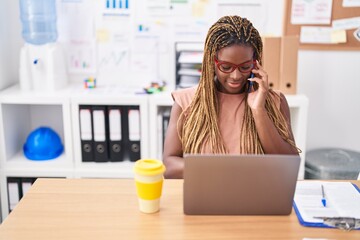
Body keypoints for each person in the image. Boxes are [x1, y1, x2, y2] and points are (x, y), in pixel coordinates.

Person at [163, 15, 300, 179]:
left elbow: (289, 166)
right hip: (206, 196)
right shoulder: (186, 101)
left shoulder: (274, 102)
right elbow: (169, 166)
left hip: (255, 200)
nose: (235, 76)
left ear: (255, 63)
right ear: (211, 61)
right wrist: (220, 170)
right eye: (226, 67)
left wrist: (258, 111)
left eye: (245, 66)